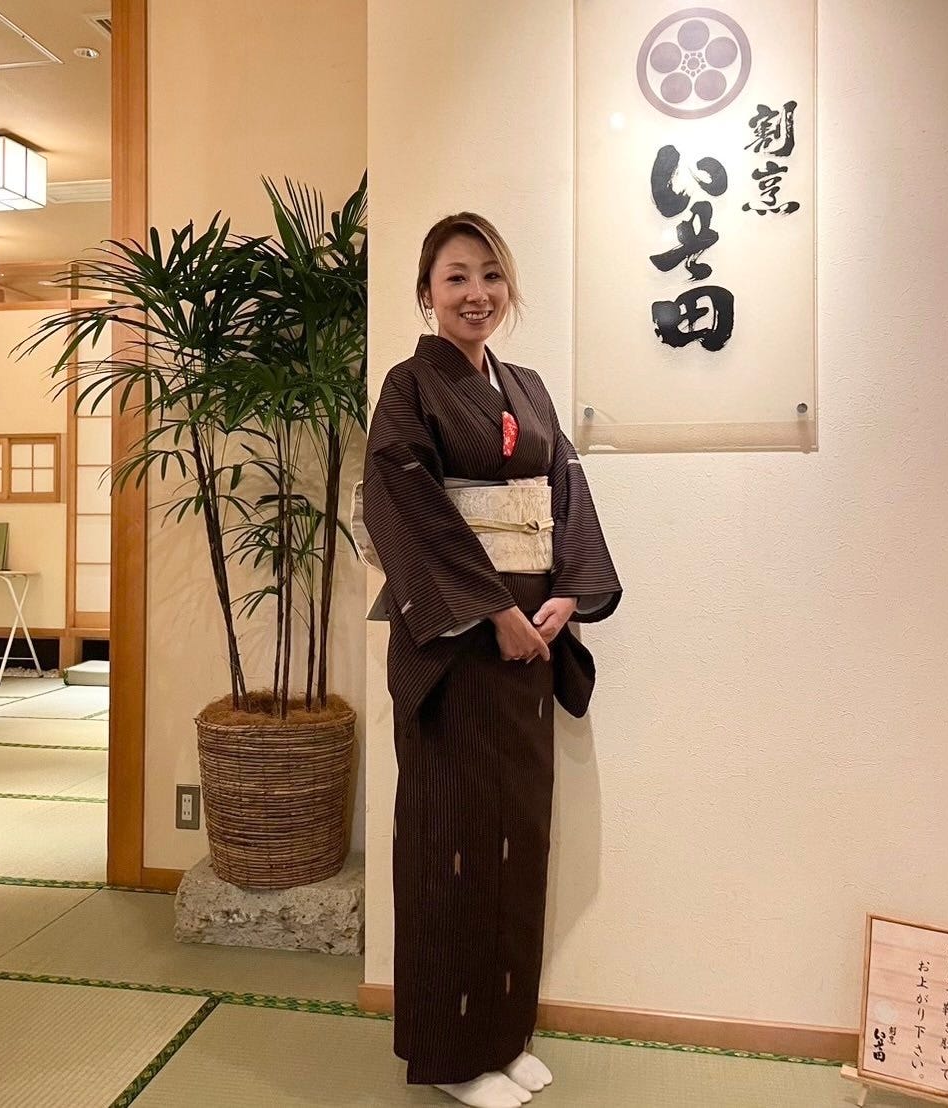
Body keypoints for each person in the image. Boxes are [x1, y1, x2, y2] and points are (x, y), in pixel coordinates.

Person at [360, 213, 622, 1108]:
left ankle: (504, 1036)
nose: (476, 294)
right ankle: (449, 1053)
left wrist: (567, 596)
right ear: (426, 293)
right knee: (454, 845)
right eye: (456, 278)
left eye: (490, 276)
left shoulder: (529, 389)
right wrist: (494, 611)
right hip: (459, 652)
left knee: (518, 839)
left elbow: (567, 493)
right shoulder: (409, 387)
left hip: (530, 646)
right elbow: (402, 501)